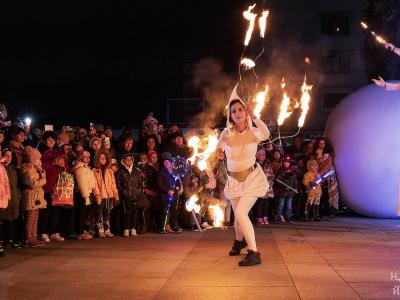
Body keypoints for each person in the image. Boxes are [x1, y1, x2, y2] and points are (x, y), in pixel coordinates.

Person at [216, 90, 270, 266]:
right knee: (238, 217)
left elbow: (266, 134)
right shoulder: (226, 133)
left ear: (245, 112)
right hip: (234, 181)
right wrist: (218, 152)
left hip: (252, 179)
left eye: (240, 109)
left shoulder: (254, 132)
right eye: (234, 111)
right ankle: (239, 241)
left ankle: (254, 252)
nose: (237, 113)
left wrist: (255, 116)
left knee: (240, 213)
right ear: (230, 116)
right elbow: (220, 146)